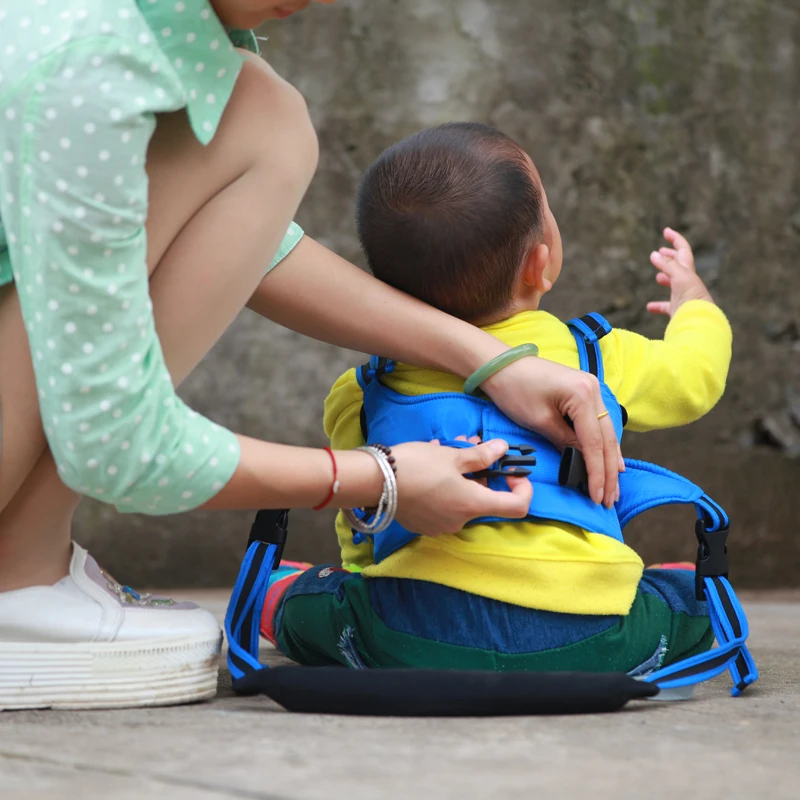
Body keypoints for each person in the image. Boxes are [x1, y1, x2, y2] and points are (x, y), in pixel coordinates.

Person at [0, 5, 621, 710]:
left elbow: (233, 243)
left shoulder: (101, 30)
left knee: (252, 112)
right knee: (258, 116)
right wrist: (381, 478)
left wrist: (491, 361)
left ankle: (21, 570)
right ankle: (17, 576)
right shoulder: (91, 67)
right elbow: (114, 445)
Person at [262, 123, 731, 675]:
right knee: (694, 597)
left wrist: (363, 587)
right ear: (541, 261)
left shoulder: (361, 391)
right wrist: (696, 305)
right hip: (595, 636)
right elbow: (696, 375)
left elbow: (365, 509)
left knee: (294, 598)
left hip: (410, 631)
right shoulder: (595, 360)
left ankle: (275, 594)